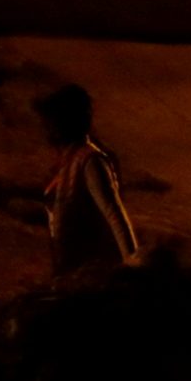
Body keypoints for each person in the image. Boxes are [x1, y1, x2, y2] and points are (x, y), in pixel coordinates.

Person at [36, 83, 141, 277]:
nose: (47, 127)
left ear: (66, 121)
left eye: (52, 120)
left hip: (92, 274)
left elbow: (114, 214)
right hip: (73, 273)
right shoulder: (68, 162)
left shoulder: (90, 160)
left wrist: (133, 263)